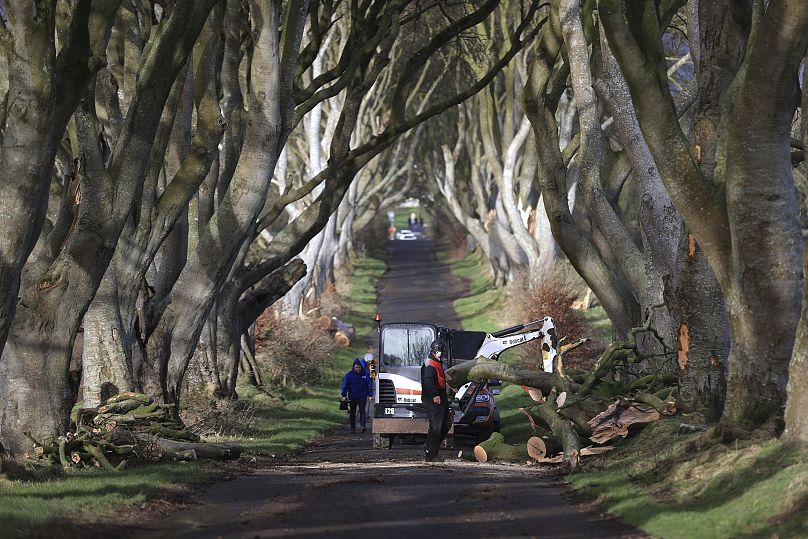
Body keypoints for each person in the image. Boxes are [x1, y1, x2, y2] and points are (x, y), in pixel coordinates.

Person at [421, 338, 451, 461]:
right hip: (433, 398)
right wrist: (434, 395)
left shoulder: (436, 362)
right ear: (436, 351)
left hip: (440, 395)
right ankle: (431, 455)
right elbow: (428, 381)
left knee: (446, 424)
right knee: (436, 427)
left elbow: (440, 379)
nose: (443, 355)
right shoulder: (430, 365)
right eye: (442, 353)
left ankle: (429, 445)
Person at [341, 358, 374, 433]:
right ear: (354, 367)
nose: (358, 369)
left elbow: (369, 385)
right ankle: (353, 428)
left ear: (361, 367)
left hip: (362, 396)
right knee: (352, 412)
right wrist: (344, 395)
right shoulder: (349, 375)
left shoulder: (365, 375)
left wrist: (370, 395)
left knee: (362, 411)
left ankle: (363, 426)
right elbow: (344, 386)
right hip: (352, 397)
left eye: (359, 367)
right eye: (356, 367)